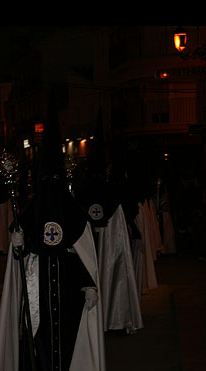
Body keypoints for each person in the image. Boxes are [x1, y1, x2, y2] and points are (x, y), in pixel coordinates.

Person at [0, 95, 107, 371]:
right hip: (40, 285)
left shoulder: (74, 211)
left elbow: (83, 252)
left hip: (71, 286)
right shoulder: (30, 209)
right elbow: (23, 253)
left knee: (77, 338)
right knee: (45, 338)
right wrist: (17, 247)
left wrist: (89, 283)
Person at [75, 109, 142, 334]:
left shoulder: (83, 192)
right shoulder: (114, 192)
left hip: (97, 241)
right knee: (114, 274)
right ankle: (115, 317)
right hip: (110, 242)